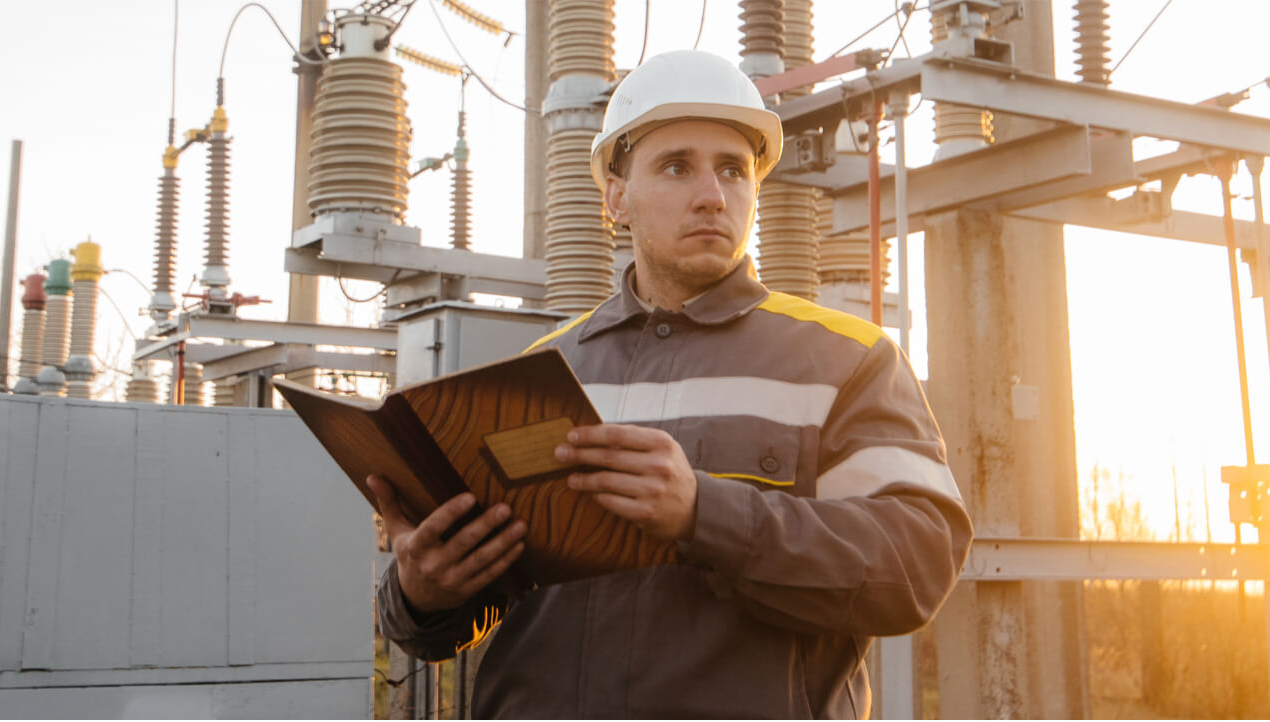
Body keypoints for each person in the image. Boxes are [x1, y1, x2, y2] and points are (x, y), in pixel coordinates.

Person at [368, 49, 971, 718]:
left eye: (733, 171)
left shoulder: (847, 361)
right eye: (677, 166)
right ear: (615, 197)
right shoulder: (542, 371)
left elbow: (916, 566)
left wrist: (703, 515)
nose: (713, 195)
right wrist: (422, 591)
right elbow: (479, 606)